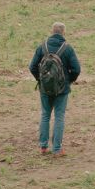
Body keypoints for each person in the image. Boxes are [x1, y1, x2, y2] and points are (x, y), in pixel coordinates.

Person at [28, 22, 81, 156]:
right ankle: (57, 149)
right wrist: (69, 81)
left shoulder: (42, 46)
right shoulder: (67, 48)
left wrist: (41, 80)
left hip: (45, 89)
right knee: (59, 117)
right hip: (62, 90)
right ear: (64, 32)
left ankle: (43, 147)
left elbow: (32, 67)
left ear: (52, 31)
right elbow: (77, 69)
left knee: (45, 115)